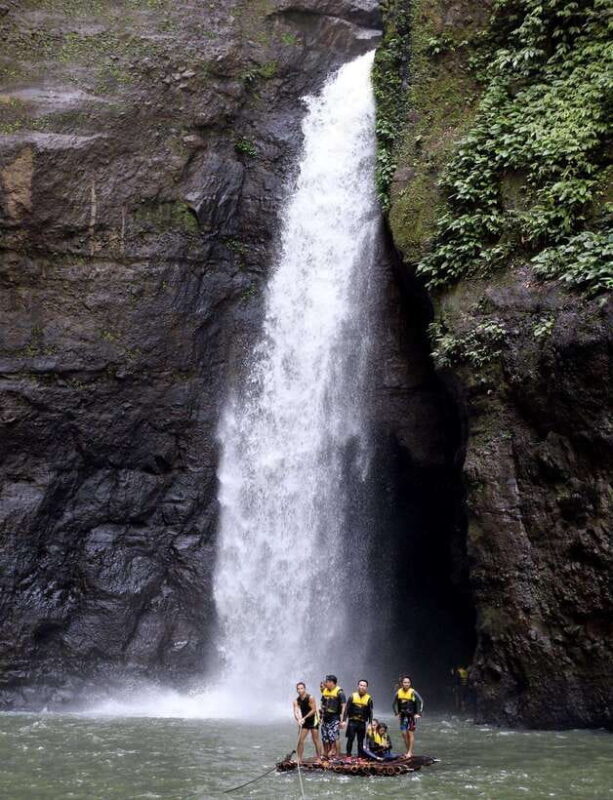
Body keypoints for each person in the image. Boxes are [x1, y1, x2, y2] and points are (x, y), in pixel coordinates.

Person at [393, 675, 424, 757]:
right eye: (405, 682)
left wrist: (419, 713)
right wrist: (396, 713)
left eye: (408, 682)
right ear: (402, 683)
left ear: (410, 683)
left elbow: (421, 701)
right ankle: (408, 751)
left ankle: (410, 752)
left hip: (411, 716)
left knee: (410, 733)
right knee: (404, 734)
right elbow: (393, 704)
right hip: (403, 716)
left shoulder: (413, 692)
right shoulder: (398, 692)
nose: (406, 684)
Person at [342, 679, 373, 757]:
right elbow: (346, 709)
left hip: (362, 722)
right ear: (358, 686)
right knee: (350, 739)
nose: (362, 687)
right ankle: (348, 755)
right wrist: (344, 721)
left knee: (360, 741)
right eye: (361, 685)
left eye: (364, 686)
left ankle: (360, 756)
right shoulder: (352, 696)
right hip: (352, 722)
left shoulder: (369, 698)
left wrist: (370, 723)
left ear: (367, 688)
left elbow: (370, 712)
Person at [293, 682, 322, 762]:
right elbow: (296, 711)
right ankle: (299, 758)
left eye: (301, 688)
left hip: (313, 720)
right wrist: (298, 719)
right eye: (298, 689)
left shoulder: (310, 698)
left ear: (304, 689)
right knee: (300, 740)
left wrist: (304, 718)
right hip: (304, 721)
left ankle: (319, 758)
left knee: (315, 739)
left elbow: (313, 710)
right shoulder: (296, 701)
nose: (300, 690)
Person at [319, 674, 346, 758]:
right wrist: (321, 716)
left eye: (327, 681)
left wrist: (343, 720)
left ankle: (337, 755)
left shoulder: (340, 692)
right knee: (324, 736)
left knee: (335, 737)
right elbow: (322, 703)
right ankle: (325, 753)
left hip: (335, 717)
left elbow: (344, 707)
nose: (325, 683)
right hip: (325, 717)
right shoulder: (325, 690)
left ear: (332, 682)